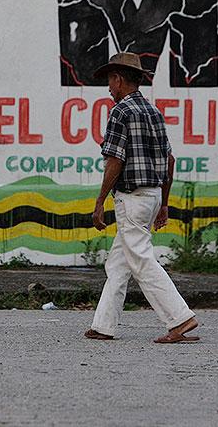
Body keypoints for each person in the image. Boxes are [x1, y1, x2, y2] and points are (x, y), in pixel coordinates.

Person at [84, 52, 200, 344]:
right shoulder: (153, 112)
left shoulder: (121, 112)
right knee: (120, 262)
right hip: (151, 198)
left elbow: (114, 161)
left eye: (111, 81)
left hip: (132, 199)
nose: (110, 88)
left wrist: (99, 201)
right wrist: (164, 202)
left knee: (141, 260)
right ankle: (103, 325)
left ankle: (180, 318)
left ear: (119, 79)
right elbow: (169, 160)